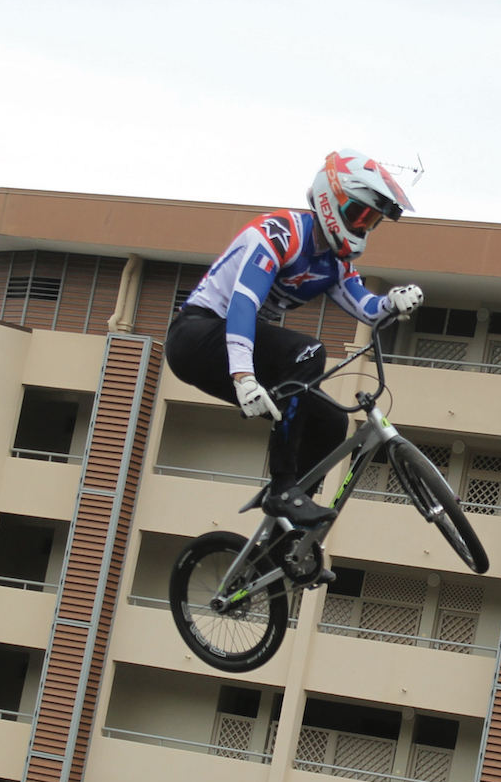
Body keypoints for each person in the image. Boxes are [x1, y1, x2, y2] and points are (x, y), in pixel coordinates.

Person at [167, 149, 423, 528]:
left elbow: (368, 309)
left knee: (332, 422)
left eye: (371, 222)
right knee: (308, 352)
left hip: (241, 342)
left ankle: (288, 532)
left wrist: (393, 302)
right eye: (360, 215)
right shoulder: (278, 234)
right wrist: (243, 377)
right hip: (196, 334)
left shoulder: (334, 263)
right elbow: (243, 303)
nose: (363, 227)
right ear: (330, 198)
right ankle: (283, 487)